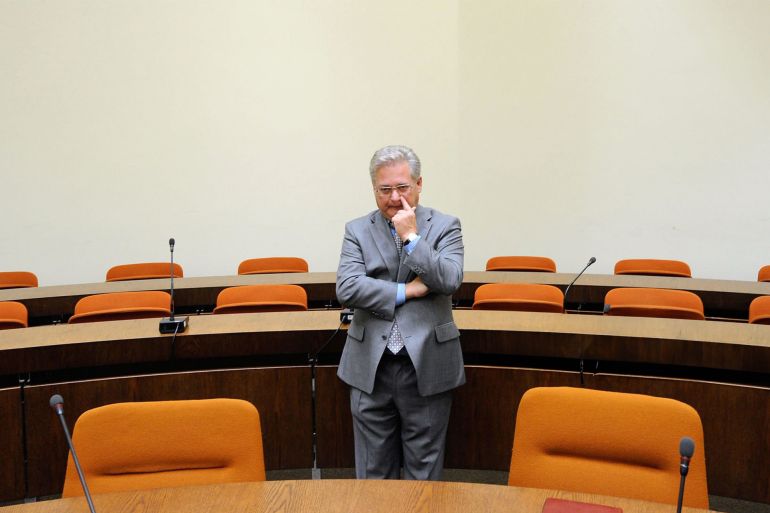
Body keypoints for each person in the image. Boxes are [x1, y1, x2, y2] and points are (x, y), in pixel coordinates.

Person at [336, 144, 465, 480]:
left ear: (419, 184)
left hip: (427, 363)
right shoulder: (357, 230)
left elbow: (449, 279)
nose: (394, 198)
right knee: (373, 471)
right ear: (374, 189)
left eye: (402, 187)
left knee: (424, 471)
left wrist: (411, 238)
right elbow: (347, 288)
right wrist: (407, 290)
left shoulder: (446, 226)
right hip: (370, 367)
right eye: (385, 189)